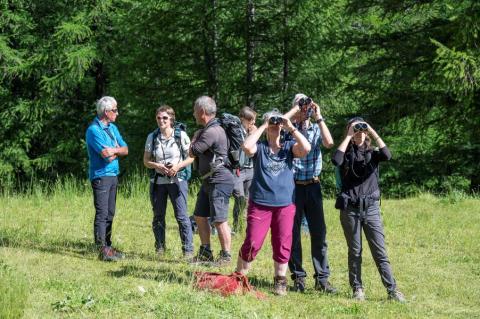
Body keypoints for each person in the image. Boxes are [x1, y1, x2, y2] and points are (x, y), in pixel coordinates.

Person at [235, 108, 311, 296]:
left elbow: (306, 148)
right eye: (272, 126)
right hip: (260, 203)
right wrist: (264, 124)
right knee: (253, 241)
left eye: (277, 126)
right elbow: (246, 146)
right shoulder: (259, 148)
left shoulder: (288, 148)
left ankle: (280, 280)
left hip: (285, 204)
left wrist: (290, 127)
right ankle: (239, 277)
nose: (275, 128)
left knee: (283, 242)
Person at [331, 117, 405, 302]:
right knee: (355, 251)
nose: (359, 132)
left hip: (371, 209)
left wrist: (372, 131)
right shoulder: (345, 154)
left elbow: (388, 155)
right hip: (351, 210)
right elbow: (336, 159)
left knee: (380, 251)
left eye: (362, 129)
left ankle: (392, 290)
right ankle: (357, 289)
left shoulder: (373, 153)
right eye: (356, 129)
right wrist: (349, 136)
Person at [285, 93, 337, 293]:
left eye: (306, 105)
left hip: (313, 185)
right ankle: (298, 277)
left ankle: (322, 278)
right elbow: (281, 123)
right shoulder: (288, 130)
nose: (305, 109)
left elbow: (329, 143)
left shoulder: (316, 128)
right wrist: (295, 114)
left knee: (319, 233)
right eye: (301, 106)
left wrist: (319, 116)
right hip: (293, 186)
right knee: (292, 233)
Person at [143, 106, 194, 258]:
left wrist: (177, 167)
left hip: (177, 181)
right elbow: (146, 161)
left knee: (181, 216)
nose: (161, 121)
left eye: (164, 118)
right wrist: (157, 165)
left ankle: (188, 251)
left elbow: (191, 157)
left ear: (171, 118)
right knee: (158, 216)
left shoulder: (181, 135)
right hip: (158, 181)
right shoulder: (152, 137)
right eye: (159, 118)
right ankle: (160, 249)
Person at [189, 96, 235, 265]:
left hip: (219, 180)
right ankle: (205, 251)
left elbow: (193, 151)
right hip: (209, 180)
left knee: (219, 219)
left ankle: (226, 256)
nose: (193, 114)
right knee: (200, 216)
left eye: (195, 110)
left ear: (202, 112)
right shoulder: (210, 129)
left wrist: (194, 137)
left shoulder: (211, 131)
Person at [86, 96, 128, 261]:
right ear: (106, 112)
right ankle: (101, 248)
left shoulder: (113, 128)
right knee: (102, 213)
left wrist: (115, 150)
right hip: (101, 176)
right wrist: (116, 150)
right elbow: (106, 156)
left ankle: (108, 246)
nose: (117, 113)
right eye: (115, 110)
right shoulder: (94, 130)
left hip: (113, 175)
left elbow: (125, 149)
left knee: (110, 212)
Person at [231, 106, 257, 234]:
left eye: (254, 120)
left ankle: (245, 227)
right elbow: (244, 146)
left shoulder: (252, 131)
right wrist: (252, 135)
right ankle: (236, 226)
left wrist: (254, 135)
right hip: (238, 170)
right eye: (250, 120)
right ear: (242, 119)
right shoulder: (236, 131)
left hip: (250, 169)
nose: (253, 123)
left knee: (247, 199)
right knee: (239, 197)